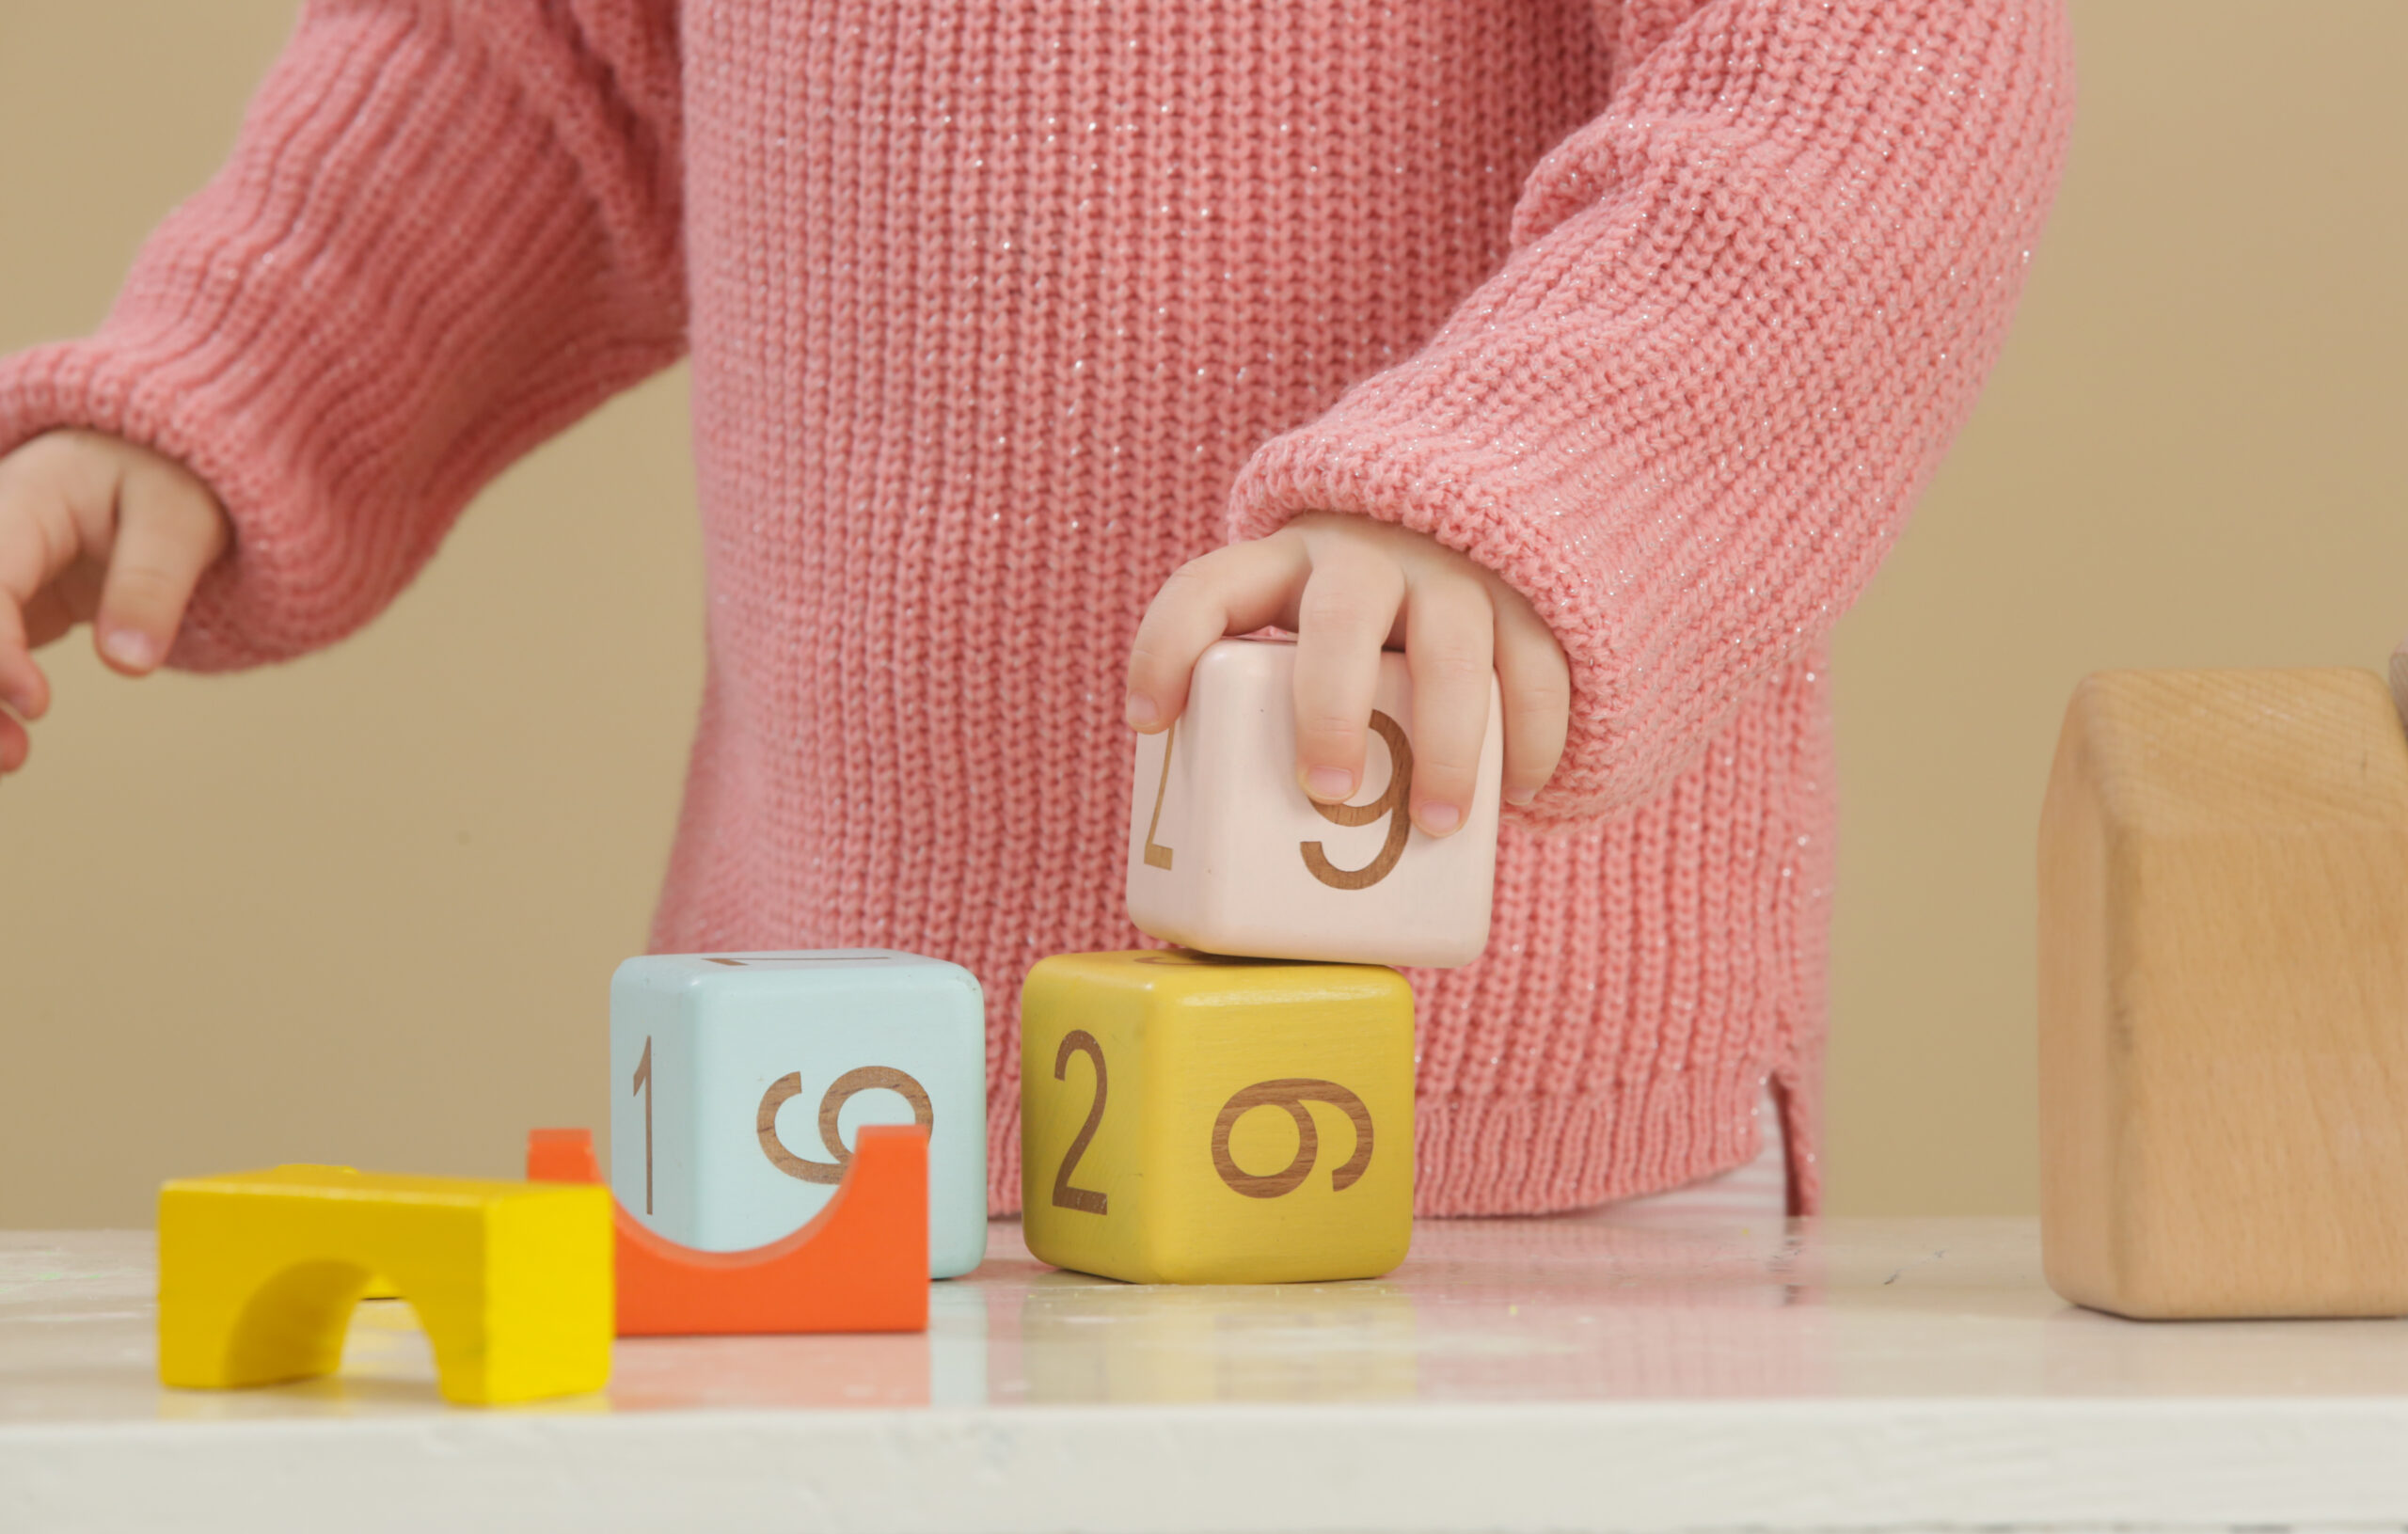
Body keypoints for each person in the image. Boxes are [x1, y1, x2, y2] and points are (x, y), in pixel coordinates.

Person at [0, 1, 2074, 1218]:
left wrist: (1529, 483)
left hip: (1479, 1135)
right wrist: (228, 381)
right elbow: (541, 63)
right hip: (812, 1118)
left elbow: (1856, 93)